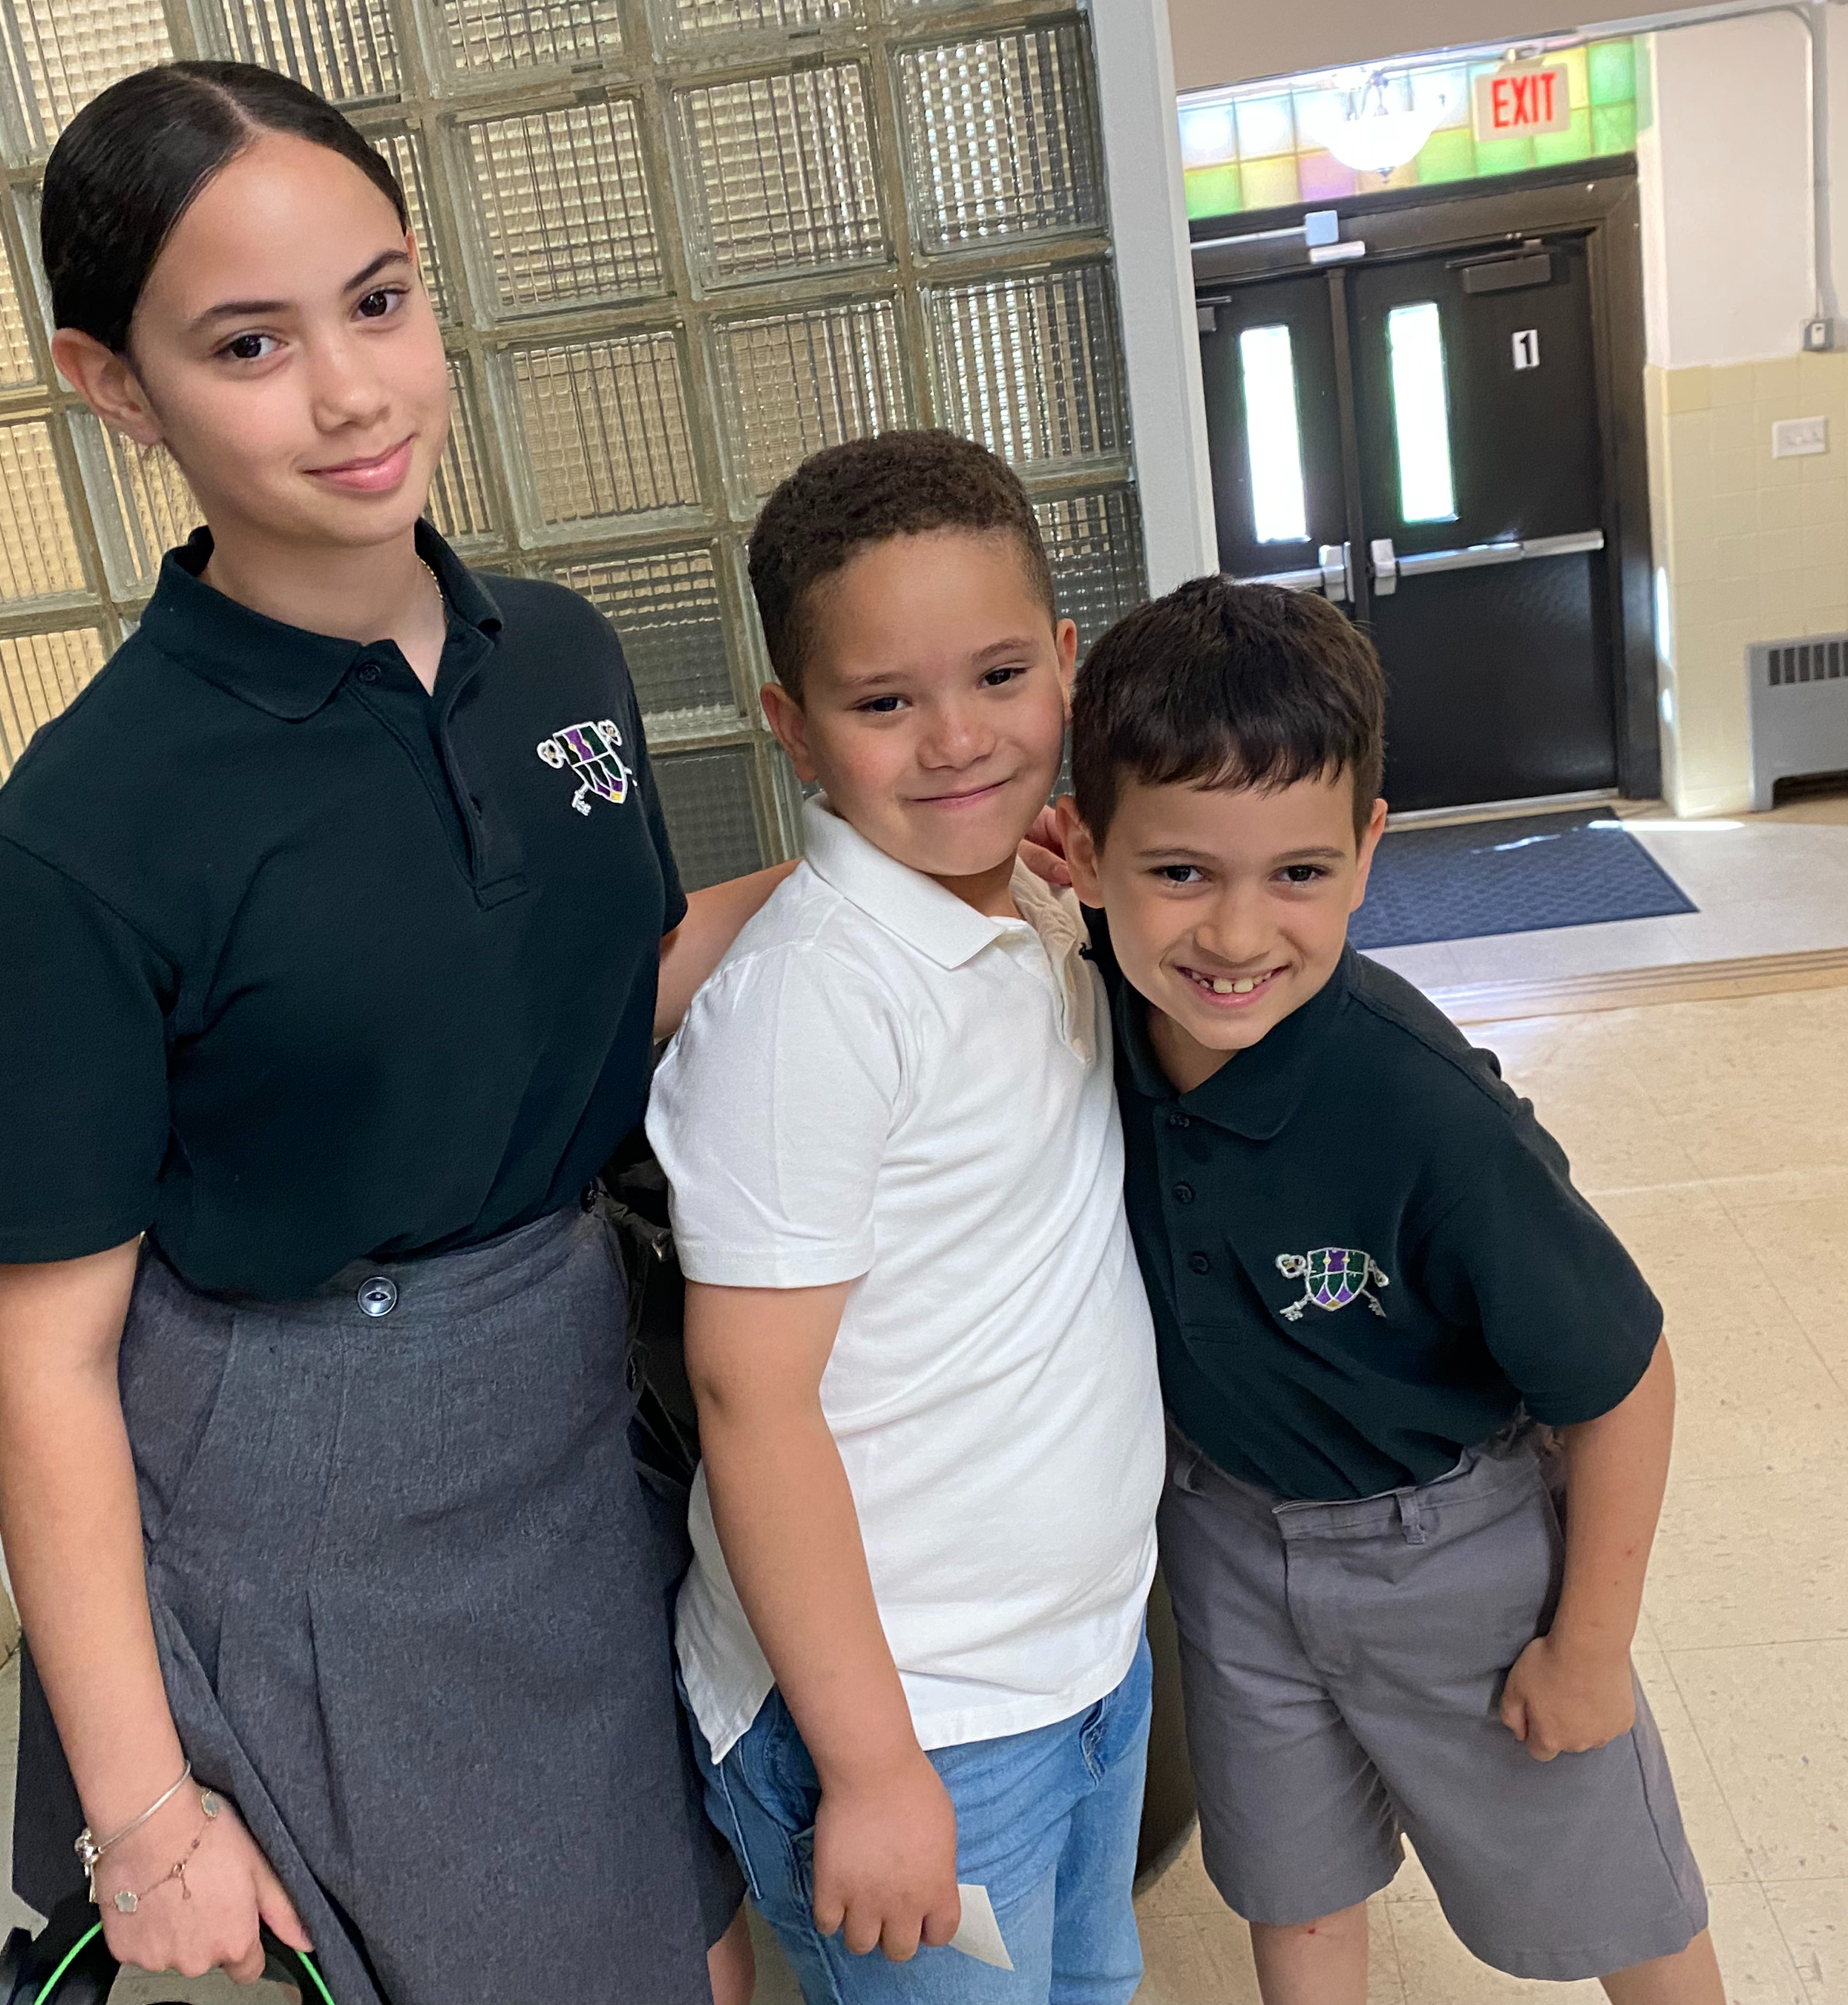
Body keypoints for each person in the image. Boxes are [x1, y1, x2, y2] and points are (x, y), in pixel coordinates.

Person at [0, 61, 773, 2005]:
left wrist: (922, 869)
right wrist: (140, 1814)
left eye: (380, 301)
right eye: (249, 342)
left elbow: (591, 1005)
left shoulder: (558, 655)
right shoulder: (84, 834)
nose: (353, 392)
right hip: (326, 1481)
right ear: (113, 384)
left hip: (583, 1392)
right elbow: (46, 1355)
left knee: (705, 1905)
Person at [1058, 578, 1725, 2005]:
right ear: (1085, 853)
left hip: (1456, 1554)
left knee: (1606, 1882)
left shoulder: (1426, 1114)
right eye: (1180, 873)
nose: (1236, 937)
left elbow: (1627, 1379)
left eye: (1297, 873)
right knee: (1292, 1883)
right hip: (1228, 1537)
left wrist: (1588, 1647)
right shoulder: (1091, 1009)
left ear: (1368, 852)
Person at [646, 430, 1167, 2005]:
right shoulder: (819, 1006)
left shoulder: (1042, 899)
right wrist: (872, 1772)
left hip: (1080, 1663)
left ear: (1067, 666)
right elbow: (753, 1398)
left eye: (1000, 675)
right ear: (797, 732)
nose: (957, 740)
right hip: (907, 1716)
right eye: (885, 704)